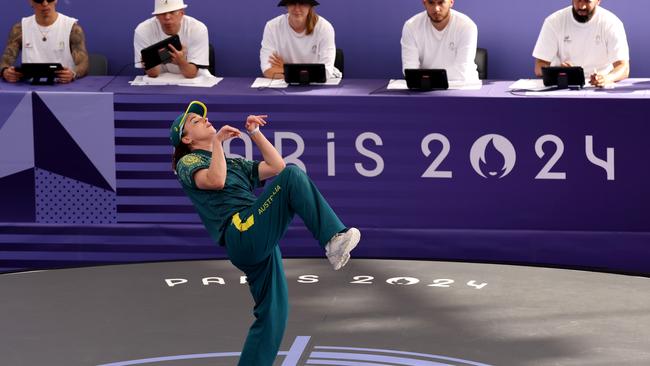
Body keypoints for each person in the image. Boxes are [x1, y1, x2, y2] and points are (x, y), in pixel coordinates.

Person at [170, 101, 360, 365]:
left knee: (274, 313)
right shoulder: (188, 162)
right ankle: (333, 239)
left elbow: (276, 166)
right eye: (194, 121)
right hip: (241, 229)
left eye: (202, 117)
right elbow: (215, 181)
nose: (204, 120)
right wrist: (217, 144)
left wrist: (254, 133)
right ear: (187, 138)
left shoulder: (232, 163)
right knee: (294, 177)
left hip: (256, 235)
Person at [532, 0, 630, 87]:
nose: (582, 6)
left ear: (598, 1)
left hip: (599, 87)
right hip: (564, 85)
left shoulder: (612, 23)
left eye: (587, 1)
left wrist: (606, 78)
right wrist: (558, 71)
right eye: (578, 0)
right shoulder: (554, 21)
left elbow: (623, 67)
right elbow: (539, 67)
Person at [0, 0, 89, 84]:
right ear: (31, 1)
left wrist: (73, 73)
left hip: (62, 85)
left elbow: (83, 63)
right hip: (29, 86)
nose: (45, 3)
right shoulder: (20, 29)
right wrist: (5, 71)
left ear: (55, 0)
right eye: (39, 0)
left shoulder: (72, 28)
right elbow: (5, 60)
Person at [260, 0, 341, 80]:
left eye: (302, 3)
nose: (297, 8)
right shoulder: (272, 27)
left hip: (317, 87)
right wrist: (300, 73)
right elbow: (267, 70)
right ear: (286, 6)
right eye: (292, 3)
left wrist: (286, 69)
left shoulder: (324, 28)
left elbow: (325, 72)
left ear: (310, 6)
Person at [401, 0, 479, 83]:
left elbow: (463, 71)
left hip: (463, 87)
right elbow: (410, 70)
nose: (436, 9)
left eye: (441, 2)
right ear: (424, 3)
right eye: (431, 3)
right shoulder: (411, 26)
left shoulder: (466, 26)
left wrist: (426, 78)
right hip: (425, 88)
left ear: (451, 2)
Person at [134, 0, 209, 78]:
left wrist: (181, 62)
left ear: (181, 13)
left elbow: (191, 74)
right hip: (160, 81)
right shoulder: (143, 30)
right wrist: (150, 61)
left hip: (193, 81)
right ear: (156, 16)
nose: (167, 17)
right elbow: (153, 74)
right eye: (162, 13)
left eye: (173, 12)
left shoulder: (197, 28)